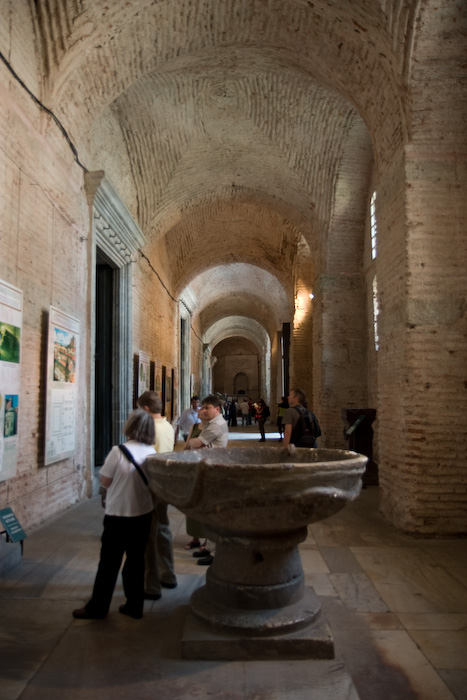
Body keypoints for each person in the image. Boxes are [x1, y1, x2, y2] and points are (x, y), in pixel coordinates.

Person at [72, 409, 155, 620]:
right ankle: (135, 606)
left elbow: (105, 481)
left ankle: (98, 608)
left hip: (118, 514)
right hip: (143, 514)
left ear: (130, 427)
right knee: (136, 562)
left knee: (108, 564)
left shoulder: (118, 452)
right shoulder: (152, 452)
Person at [136, 391, 177, 600]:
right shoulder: (168, 425)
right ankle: (168, 574)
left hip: (150, 485)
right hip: (164, 483)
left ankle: (151, 585)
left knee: (148, 536)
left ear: (145, 409)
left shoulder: (148, 428)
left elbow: (142, 458)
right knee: (162, 529)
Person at [186, 394, 229, 565]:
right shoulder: (211, 423)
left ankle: (215, 552)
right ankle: (210, 548)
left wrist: (196, 443)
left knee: (214, 514)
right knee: (209, 512)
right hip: (208, 467)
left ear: (217, 409)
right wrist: (197, 443)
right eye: (202, 408)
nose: (203, 410)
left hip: (213, 470)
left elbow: (195, 444)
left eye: (207, 408)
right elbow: (195, 443)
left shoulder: (216, 425)